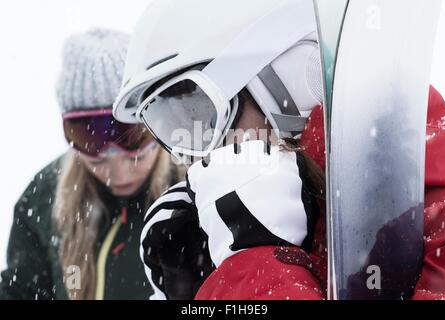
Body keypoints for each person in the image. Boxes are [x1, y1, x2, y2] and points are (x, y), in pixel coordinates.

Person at [113, 0, 326, 300]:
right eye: (171, 126)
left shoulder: (404, 203)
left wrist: (253, 262)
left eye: (199, 114)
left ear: (293, 87)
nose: (199, 162)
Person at [0, 28, 183, 300]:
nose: (117, 173)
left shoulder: (196, 193)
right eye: (92, 147)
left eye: (134, 147)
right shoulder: (44, 197)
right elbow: (23, 290)